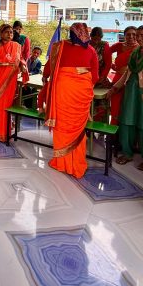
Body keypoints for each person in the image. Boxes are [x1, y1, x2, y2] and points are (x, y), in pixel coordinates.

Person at [42, 23, 98, 179]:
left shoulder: (59, 47)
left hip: (63, 91)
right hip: (82, 93)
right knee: (77, 128)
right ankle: (76, 163)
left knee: (62, 125)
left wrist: (47, 78)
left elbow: (48, 69)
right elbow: (95, 76)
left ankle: (61, 162)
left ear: (72, 34)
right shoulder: (91, 50)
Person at [108, 25, 143, 171]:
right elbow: (128, 72)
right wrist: (115, 88)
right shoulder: (135, 53)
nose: (139, 38)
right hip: (130, 91)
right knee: (126, 120)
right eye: (137, 35)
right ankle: (127, 153)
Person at [108, 27, 138, 125]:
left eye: (134, 34)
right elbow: (105, 53)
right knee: (115, 107)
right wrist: (112, 66)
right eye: (128, 34)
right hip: (117, 80)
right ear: (124, 36)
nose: (131, 37)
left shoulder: (140, 48)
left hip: (131, 82)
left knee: (128, 107)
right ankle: (113, 130)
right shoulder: (119, 45)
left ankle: (125, 131)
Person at [90, 26, 112, 122]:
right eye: (94, 38)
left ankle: (102, 125)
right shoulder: (86, 45)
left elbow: (108, 64)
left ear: (101, 37)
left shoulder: (104, 45)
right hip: (88, 78)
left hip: (100, 79)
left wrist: (102, 77)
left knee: (101, 104)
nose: (96, 41)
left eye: (98, 38)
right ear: (90, 36)